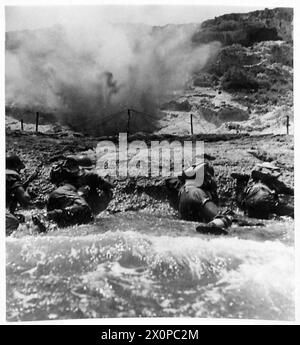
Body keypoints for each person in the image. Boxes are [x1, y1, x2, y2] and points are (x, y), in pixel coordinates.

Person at [47, 156, 113, 227]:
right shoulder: (86, 177)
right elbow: (109, 185)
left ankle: (48, 219)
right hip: (63, 195)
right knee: (85, 210)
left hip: (57, 201)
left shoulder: (79, 180)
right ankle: (45, 217)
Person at [177, 162, 232, 234]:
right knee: (225, 218)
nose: (211, 180)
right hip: (203, 226)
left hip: (189, 230)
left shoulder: (183, 192)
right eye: (208, 177)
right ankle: (213, 225)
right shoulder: (197, 192)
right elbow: (218, 214)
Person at [6, 155, 31, 234]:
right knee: (12, 221)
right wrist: (29, 191)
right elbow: (25, 199)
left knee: (20, 218)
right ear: (15, 166)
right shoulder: (11, 176)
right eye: (20, 168)